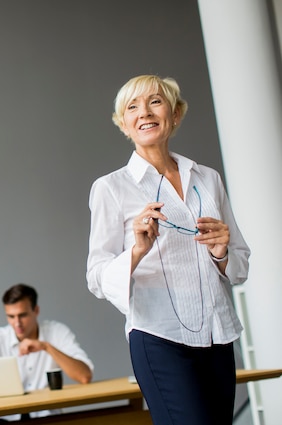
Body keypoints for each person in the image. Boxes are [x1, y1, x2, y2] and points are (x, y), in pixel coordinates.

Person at [86, 75, 250, 425]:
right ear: (124, 124)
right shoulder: (110, 188)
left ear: (175, 115)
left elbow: (239, 266)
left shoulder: (208, 179)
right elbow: (97, 277)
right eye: (132, 107)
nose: (144, 112)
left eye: (155, 102)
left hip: (217, 335)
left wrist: (221, 252)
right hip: (160, 338)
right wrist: (137, 250)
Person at [0, 283, 93, 420]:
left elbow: (84, 376)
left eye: (22, 315)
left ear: (36, 311)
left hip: (46, 417)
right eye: (11, 317)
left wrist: (47, 347)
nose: (17, 323)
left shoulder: (57, 332)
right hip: (5, 419)